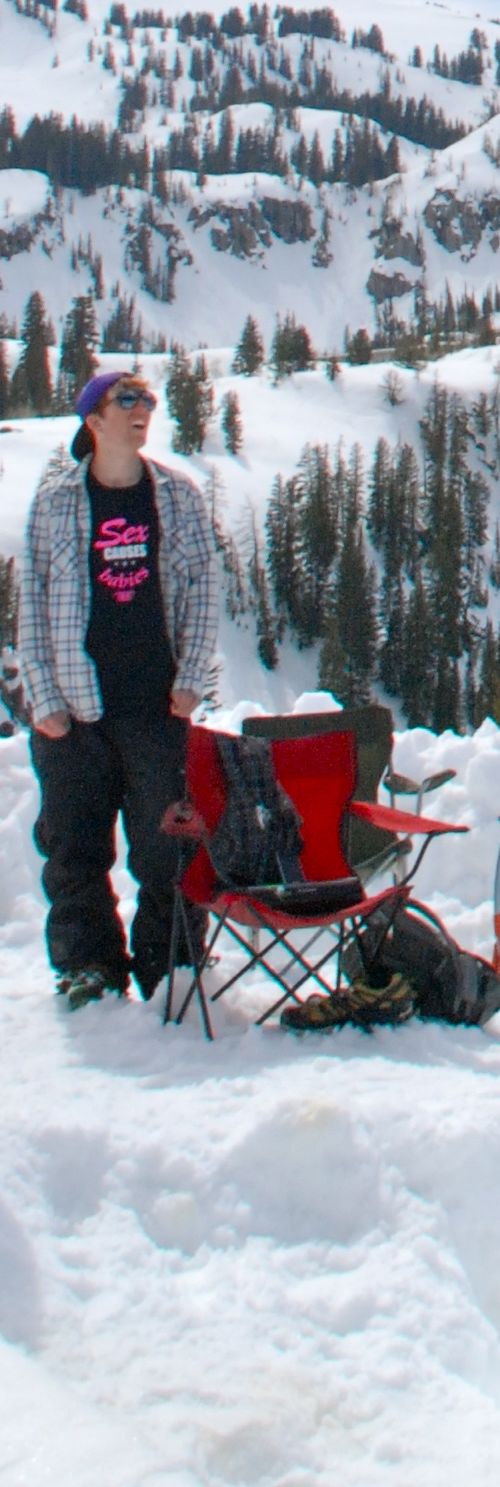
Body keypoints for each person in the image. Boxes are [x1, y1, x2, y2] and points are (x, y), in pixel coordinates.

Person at [22, 365, 220, 1007]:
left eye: (149, 400)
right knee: (75, 849)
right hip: (73, 713)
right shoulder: (54, 502)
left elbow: (204, 588)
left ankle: (172, 965)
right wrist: (43, 701)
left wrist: (192, 679)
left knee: (167, 849)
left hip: (154, 706)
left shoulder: (178, 495)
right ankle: (89, 968)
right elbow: (31, 601)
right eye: (126, 399)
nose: (143, 409)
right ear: (94, 418)